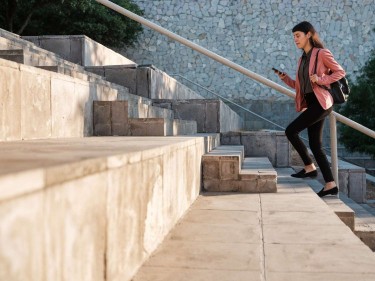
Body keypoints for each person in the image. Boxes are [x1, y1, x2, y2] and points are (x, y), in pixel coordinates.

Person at [274, 21, 345, 197]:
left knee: (291, 131)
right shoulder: (302, 59)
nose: (295, 39)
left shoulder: (321, 53)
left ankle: (309, 167)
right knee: (315, 144)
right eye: (293, 37)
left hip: (322, 102)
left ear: (308, 35)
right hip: (312, 103)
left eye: (297, 35)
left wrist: (321, 79)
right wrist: (285, 78)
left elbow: (340, 72)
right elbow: (300, 85)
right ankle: (330, 184)